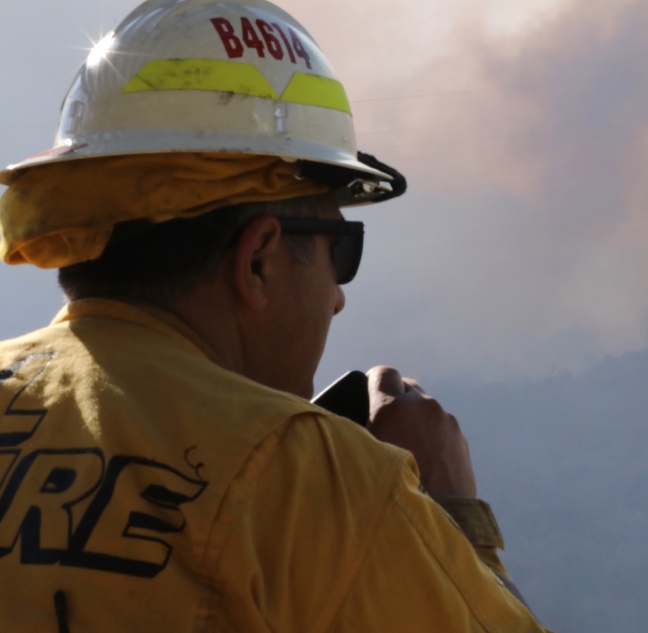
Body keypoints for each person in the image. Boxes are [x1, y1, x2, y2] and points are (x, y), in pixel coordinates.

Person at [0, 1, 550, 630]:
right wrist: (451, 513)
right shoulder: (317, 478)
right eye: (340, 251)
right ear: (258, 259)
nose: (338, 297)